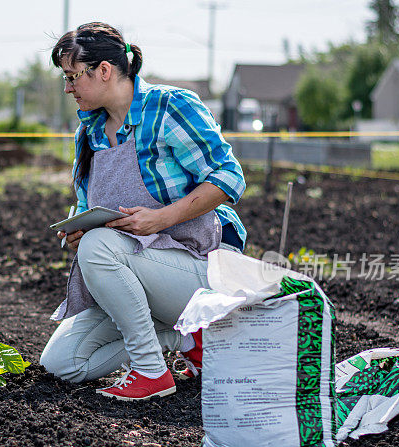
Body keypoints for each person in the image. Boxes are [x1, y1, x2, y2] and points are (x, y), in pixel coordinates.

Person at [40, 22, 246, 401]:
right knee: (62, 364)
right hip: (134, 275)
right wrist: (78, 230)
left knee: (99, 246)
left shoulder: (171, 107)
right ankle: (186, 336)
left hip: (199, 271)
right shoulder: (90, 132)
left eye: (72, 77)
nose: (67, 88)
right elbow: (87, 205)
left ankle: (151, 371)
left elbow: (229, 177)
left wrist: (161, 218)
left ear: (103, 71)